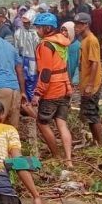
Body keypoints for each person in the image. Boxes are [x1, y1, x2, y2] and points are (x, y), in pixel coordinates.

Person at [31, 13, 73, 168]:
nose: (37, 30)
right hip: (64, 86)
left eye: (39, 27)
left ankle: (57, 156)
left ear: (47, 28)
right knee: (62, 124)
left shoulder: (46, 45)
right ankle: (68, 160)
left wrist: (37, 93)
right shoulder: (63, 42)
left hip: (51, 89)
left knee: (42, 123)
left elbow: (46, 72)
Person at [73, 13, 102, 145]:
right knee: (88, 115)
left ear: (86, 24)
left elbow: (95, 63)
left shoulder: (91, 40)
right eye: (75, 24)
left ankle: (101, 144)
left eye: (79, 25)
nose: (76, 27)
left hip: (91, 84)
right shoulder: (84, 40)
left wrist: (90, 84)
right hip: (86, 82)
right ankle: (96, 142)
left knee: (92, 114)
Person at [14, 10, 40, 103]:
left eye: (27, 22)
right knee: (22, 80)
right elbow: (16, 48)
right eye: (24, 22)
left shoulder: (37, 34)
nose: (25, 24)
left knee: (32, 82)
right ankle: (26, 103)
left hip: (34, 61)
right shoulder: (18, 32)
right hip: (22, 59)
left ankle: (33, 103)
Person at [61, 21, 80, 86]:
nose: (63, 33)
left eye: (66, 30)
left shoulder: (77, 45)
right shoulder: (61, 45)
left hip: (73, 81)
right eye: (62, 30)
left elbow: (78, 64)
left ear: (71, 31)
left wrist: (75, 80)